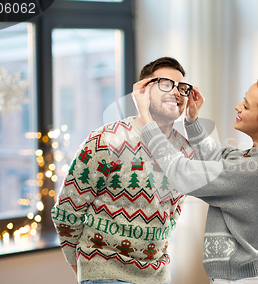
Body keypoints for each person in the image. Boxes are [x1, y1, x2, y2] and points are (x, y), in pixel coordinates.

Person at [133, 76, 258, 283]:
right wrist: (192, 120)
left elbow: (181, 172)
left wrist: (146, 118)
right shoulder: (255, 160)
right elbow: (217, 158)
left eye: (246, 105)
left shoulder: (255, 169)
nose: (237, 107)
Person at [51, 57, 195, 284]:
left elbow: (171, 216)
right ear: (144, 90)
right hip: (105, 274)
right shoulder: (106, 140)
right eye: (166, 84)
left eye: (182, 87)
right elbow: (68, 211)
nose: (177, 92)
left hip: (158, 276)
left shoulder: (185, 151)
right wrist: (82, 269)